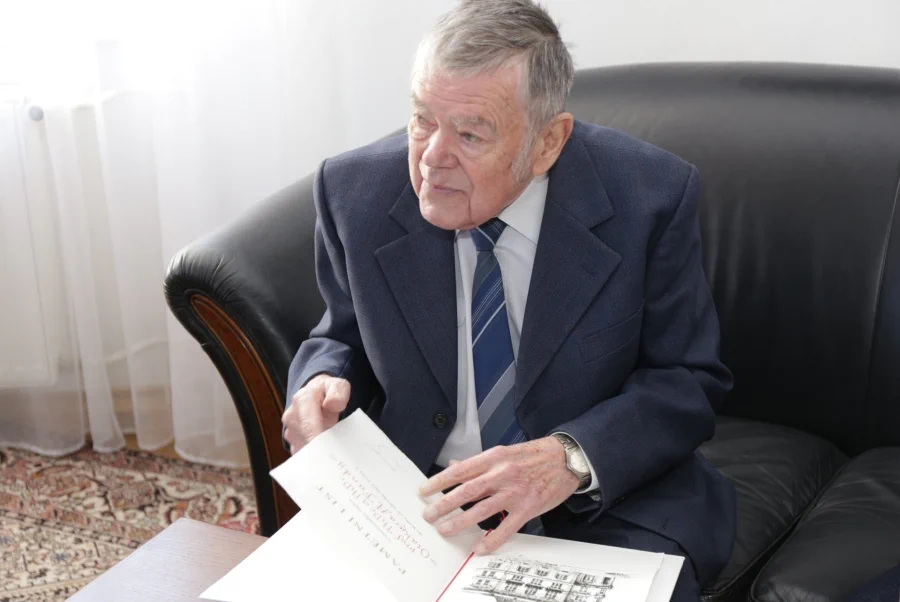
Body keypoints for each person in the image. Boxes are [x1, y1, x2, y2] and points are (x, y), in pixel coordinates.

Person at [281, 1, 735, 600]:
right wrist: (321, 380)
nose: (432, 157)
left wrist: (570, 459)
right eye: (422, 119)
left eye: (470, 133)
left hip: (602, 506)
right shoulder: (353, 194)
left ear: (548, 142)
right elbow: (341, 335)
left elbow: (686, 380)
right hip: (418, 508)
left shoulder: (648, 198)